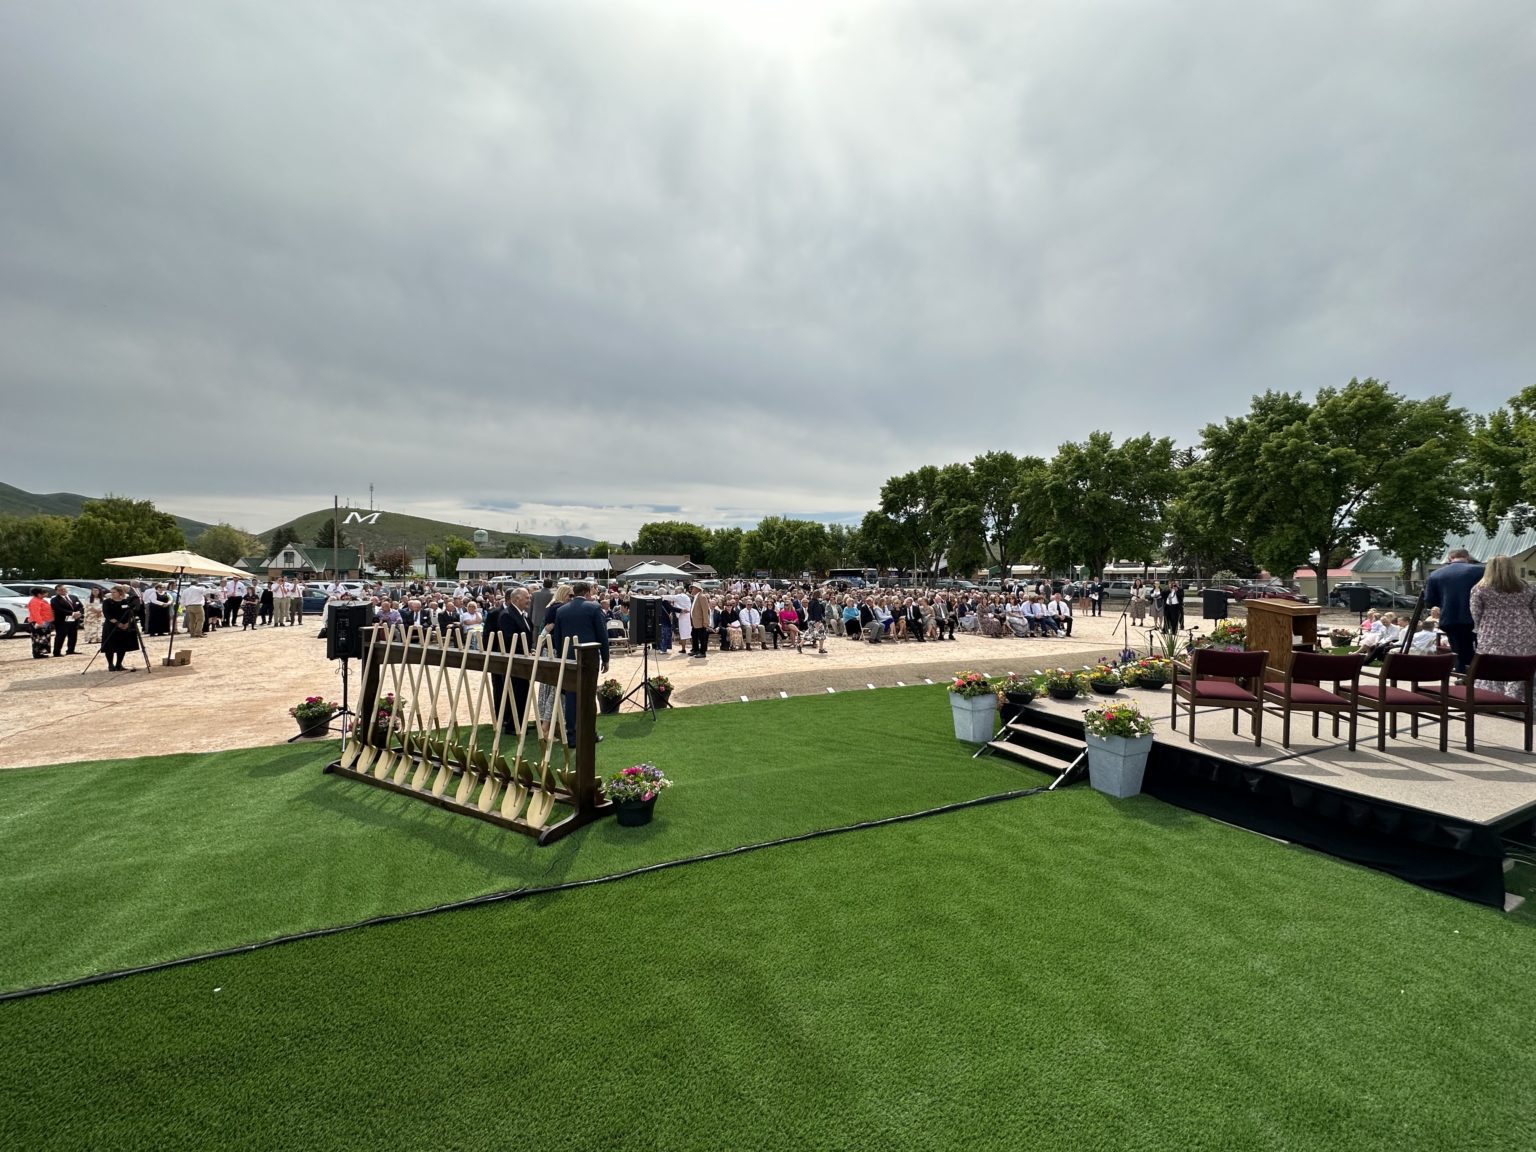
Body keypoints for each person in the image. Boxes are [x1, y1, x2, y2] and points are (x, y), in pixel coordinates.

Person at [547, 582, 610, 748]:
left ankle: (572, 736)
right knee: (588, 696)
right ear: (587, 592)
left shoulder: (561, 610)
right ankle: (589, 733)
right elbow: (602, 635)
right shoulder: (594, 608)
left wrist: (561, 658)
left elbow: (558, 637)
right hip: (589, 657)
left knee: (571, 697)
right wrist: (606, 658)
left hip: (568, 657)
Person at [1470, 555, 1536, 700]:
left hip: (1492, 632)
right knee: (1521, 665)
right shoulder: (1528, 587)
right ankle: (1519, 699)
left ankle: (1492, 699)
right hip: (1524, 630)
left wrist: (1479, 627)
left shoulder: (1480, 589)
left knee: (1493, 665)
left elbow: (1476, 613)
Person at [1425, 547, 1486, 673]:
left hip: (1451, 618)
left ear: (1449, 558)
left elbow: (1430, 601)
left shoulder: (1435, 574)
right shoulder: (1480, 571)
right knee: (1482, 651)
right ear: (1467, 557)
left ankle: (1462, 676)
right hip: (1478, 618)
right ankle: (1480, 676)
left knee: (1459, 653)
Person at [496, 585, 534, 734]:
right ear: (517, 599)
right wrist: (524, 651)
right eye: (527, 597)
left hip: (523, 659)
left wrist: (529, 649)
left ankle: (520, 722)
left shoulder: (523, 614)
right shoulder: (507, 615)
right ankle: (512, 725)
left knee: (523, 691)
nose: (529, 600)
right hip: (514, 661)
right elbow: (509, 639)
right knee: (516, 692)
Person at [101, 585, 139, 671]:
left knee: (122, 646)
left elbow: (131, 613)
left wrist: (128, 623)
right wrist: (117, 623)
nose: (112, 594)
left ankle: (119, 664)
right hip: (111, 626)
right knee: (110, 646)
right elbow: (107, 614)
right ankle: (110, 664)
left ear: (120, 593)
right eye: (111, 592)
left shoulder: (125, 602)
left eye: (114, 592)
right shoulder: (107, 602)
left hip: (124, 626)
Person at [50, 585, 82, 656]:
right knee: (60, 636)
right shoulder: (54, 599)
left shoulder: (73, 597)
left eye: (64, 589)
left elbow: (80, 606)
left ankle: (71, 650)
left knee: (73, 635)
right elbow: (58, 609)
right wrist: (72, 613)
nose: (63, 591)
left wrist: (79, 612)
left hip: (74, 619)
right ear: (56, 591)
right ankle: (57, 652)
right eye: (60, 590)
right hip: (62, 620)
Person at [27, 588, 54, 657]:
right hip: (38, 622)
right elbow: (35, 613)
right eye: (43, 593)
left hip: (46, 621)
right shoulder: (34, 601)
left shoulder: (42, 600)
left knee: (44, 637)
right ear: (39, 594)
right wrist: (39, 622)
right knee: (38, 638)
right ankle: (37, 653)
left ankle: (42, 652)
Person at [689, 584, 711, 658]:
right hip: (695, 621)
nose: (691, 589)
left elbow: (705, 610)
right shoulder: (696, 597)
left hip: (701, 621)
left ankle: (702, 652)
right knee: (694, 636)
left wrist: (705, 622)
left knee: (702, 638)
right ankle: (696, 650)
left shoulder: (702, 597)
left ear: (697, 589)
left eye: (693, 588)